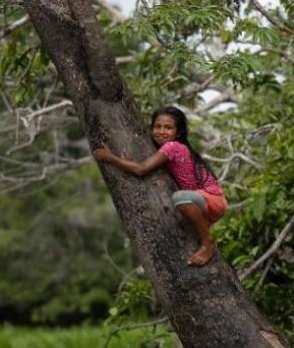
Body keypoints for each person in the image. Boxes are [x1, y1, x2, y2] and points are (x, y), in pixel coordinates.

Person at [93, 106, 227, 266]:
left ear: (178, 133)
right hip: (201, 202)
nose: (161, 131)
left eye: (168, 127)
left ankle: (208, 242)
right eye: (157, 127)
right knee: (181, 199)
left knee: (180, 197)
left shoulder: (173, 147)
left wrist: (110, 158)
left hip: (211, 201)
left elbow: (141, 169)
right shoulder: (166, 148)